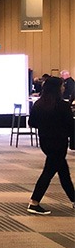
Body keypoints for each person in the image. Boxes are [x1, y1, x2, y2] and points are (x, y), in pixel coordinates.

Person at [27, 77, 75, 214]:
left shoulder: (39, 104)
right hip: (59, 142)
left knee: (63, 172)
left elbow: (32, 122)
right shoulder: (62, 106)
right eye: (62, 86)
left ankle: (73, 199)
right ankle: (34, 202)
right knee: (48, 173)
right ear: (57, 88)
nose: (64, 88)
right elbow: (70, 126)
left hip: (45, 142)